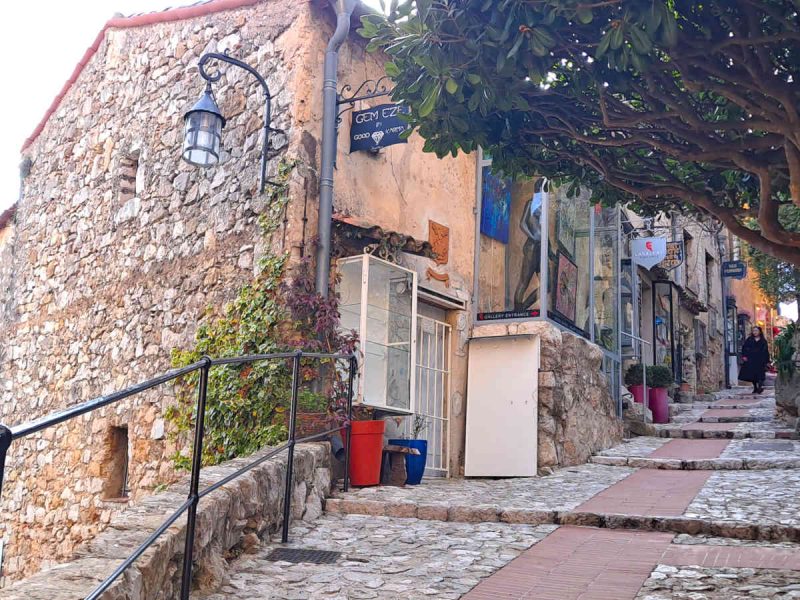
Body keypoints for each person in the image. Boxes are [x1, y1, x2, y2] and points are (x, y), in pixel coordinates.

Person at [739, 326, 770, 394]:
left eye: (756, 331)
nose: (755, 332)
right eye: (753, 331)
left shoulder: (763, 341)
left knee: (760, 374)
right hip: (751, 359)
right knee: (753, 374)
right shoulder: (749, 339)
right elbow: (744, 348)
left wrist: (767, 361)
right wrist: (744, 356)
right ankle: (755, 387)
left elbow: (766, 351)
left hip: (760, 360)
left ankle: (760, 387)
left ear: (760, 332)